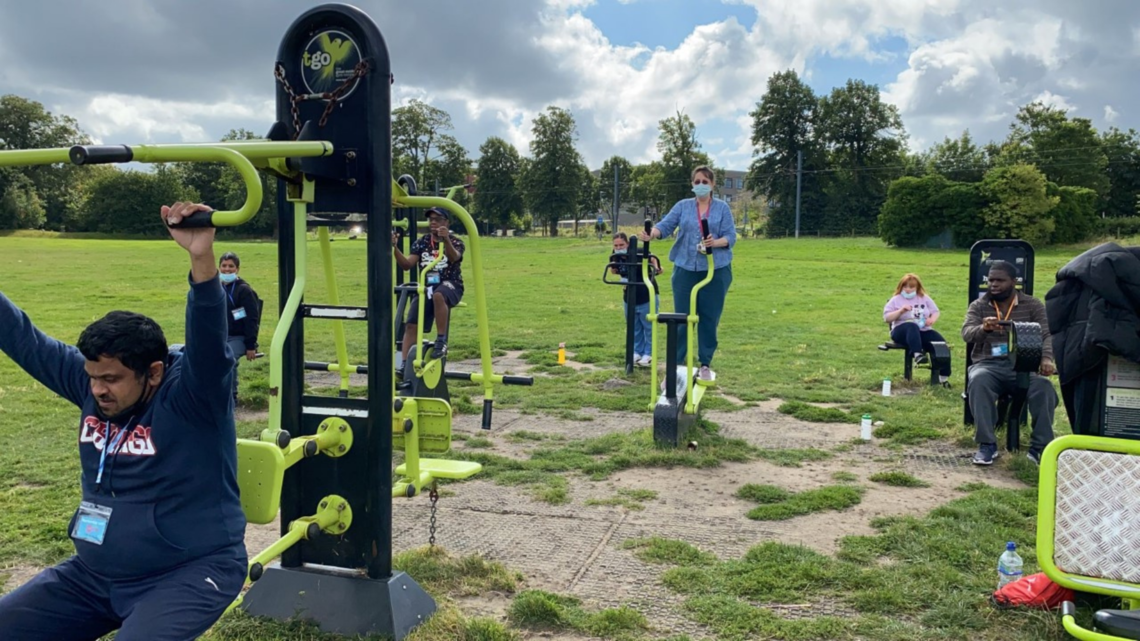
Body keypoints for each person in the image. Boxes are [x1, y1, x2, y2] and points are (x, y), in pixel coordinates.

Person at [0, 202, 247, 640]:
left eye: (111, 379)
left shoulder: (193, 396)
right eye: (93, 377)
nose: (97, 390)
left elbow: (209, 339)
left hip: (186, 572)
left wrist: (201, 259)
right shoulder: (91, 384)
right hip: (93, 576)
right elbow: (22, 336)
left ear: (152, 372)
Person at [638, 166, 736, 381]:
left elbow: (731, 236)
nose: (701, 185)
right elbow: (664, 226)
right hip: (685, 269)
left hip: (714, 270)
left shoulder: (722, 208)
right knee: (681, 318)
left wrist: (715, 242)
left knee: (708, 318)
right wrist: (651, 234)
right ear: (692, 184)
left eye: (705, 181)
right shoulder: (683, 206)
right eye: (697, 181)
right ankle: (676, 365)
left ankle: (705, 364)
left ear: (712, 185)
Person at [962, 260, 1057, 466]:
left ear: (1014, 282)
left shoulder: (1032, 305)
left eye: (1000, 280)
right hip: (989, 364)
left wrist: (1046, 358)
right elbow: (967, 334)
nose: (993, 284)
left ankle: (1040, 448)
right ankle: (987, 444)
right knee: (978, 381)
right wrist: (984, 329)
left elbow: (1046, 334)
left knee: (1044, 388)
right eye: (991, 280)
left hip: (1024, 365)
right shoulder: (979, 306)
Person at [394, 206, 465, 364]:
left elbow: (454, 258)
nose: (433, 222)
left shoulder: (456, 242)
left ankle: (441, 340)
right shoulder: (422, 242)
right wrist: (394, 248)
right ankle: (404, 365)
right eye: (431, 219)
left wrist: (446, 239)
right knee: (411, 324)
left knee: (439, 295)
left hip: (450, 283)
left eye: (438, 219)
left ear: (446, 222)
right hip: (427, 287)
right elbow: (407, 264)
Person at [882, 273, 951, 385]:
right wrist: (900, 311)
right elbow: (886, 318)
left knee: (940, 343)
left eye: (911, 287)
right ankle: (917, 354)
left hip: (923, 330)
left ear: (917, 287)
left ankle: (943, 377)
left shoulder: (924, 298)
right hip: (901, 331)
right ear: (901, 287)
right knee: (911, 325)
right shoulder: (896, 299)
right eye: (905, 287)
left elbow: (935, 311)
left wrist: (932, 319)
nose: (908, 290)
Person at [610, 232, 662, 367]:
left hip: (646, 293)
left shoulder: (638, 252)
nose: (619, 247)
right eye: (616, 245)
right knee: (634, 325)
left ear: (628, 244)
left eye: (621, 244)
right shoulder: (614, 256)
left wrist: (656, 268)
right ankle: (637, 351)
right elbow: (614, 270)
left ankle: (649, 354)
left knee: (648, 326)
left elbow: (652, 259)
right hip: (629, 295)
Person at [219, 251, 261, 403]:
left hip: (239, 337)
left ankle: (231, 398)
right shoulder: (215, 287)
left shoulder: (244, 290)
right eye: (224, 266)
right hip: (219, 336)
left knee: (226, 360)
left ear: (237, 269)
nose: (227, 269)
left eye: (231, 266)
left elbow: (251, 319)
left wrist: (250, 345)